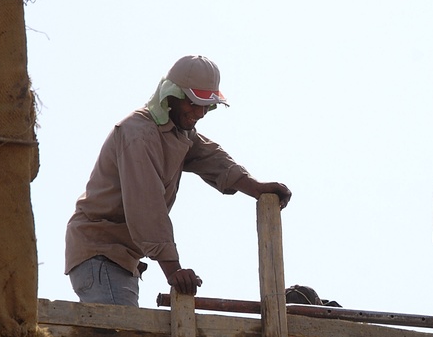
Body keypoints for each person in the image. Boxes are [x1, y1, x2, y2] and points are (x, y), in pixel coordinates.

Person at [65, 55, 291, 306]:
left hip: (119, 259)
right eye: (194, 103)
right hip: (100, 253)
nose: (200, 113)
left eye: (207, 106)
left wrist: (256, 187)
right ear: (171, 96)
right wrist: (173, 270)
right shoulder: (138, 134)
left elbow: (213, 158)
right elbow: (146, 209)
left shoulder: (177, 133)